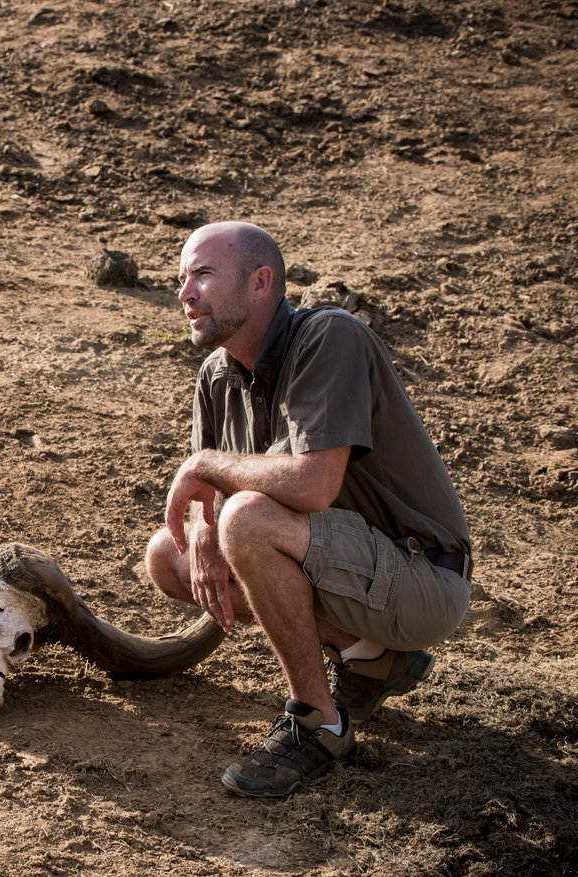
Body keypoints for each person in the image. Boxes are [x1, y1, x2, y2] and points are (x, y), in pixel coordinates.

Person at [144, 221, 471, 798]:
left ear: (261, 282)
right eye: (180, 280)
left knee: (245, 520)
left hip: (421, 576)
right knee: (168, 557)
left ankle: (319, 724)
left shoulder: (329, 335)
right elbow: (207, 493)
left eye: (202, 275)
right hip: (343, 566)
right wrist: (201, 527)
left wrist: (206, 477)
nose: (184, 293)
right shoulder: (215, 375)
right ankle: (366, 653)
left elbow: (312, 485)